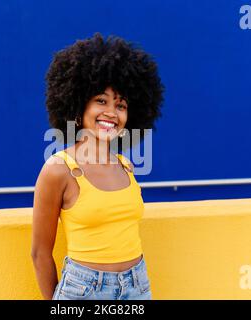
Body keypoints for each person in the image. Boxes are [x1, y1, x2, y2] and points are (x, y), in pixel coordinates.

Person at [31, 32, 164, 300]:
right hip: (83, 290)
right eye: (101, 101)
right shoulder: (59, 169)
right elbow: (40, 253)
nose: (112, 113)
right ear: (79, 107)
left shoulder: (126, 165)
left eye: (121, 105)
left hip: (137, 286)